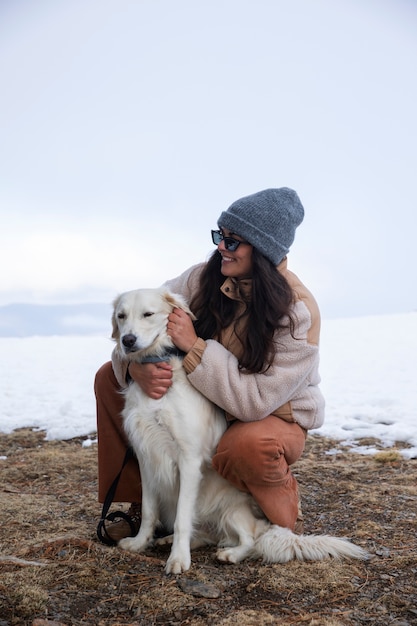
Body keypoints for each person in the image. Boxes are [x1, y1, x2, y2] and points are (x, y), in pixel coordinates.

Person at [94, 187, 325, 542]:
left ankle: (276, 510)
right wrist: (132, 365)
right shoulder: (201, 278)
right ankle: (148, 511)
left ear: (262, 250)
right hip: (207, 401)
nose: (221, 248)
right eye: (220, 236)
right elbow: (141, 318)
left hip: (271, 417)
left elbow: (255, 402)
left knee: (244, 445)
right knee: (110, 378)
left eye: (233, 242)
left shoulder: (297, 312)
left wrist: (194, 346)